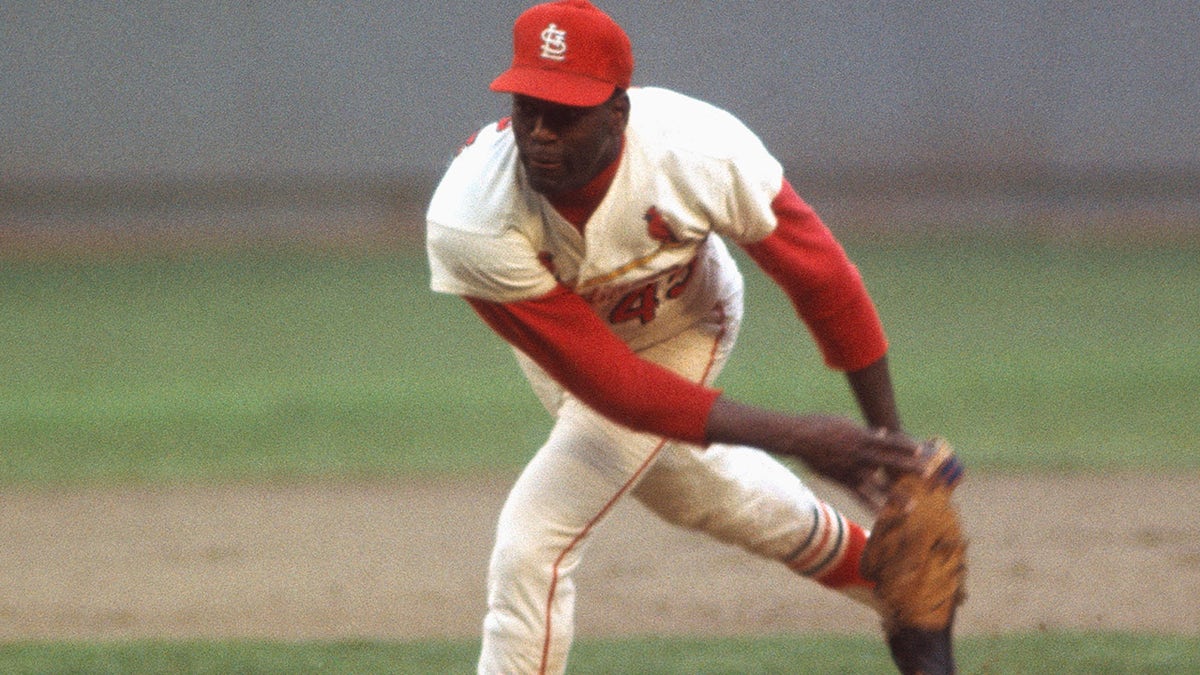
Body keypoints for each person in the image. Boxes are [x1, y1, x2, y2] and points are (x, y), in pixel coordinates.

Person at [426, 2, 958, 673]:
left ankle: (888, 585)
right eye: (528, 106)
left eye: (564, 113)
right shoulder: (471, 217)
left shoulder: (697, 149)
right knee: (688, 484)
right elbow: (613, 385)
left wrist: (892, 450)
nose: (539, 132)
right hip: (580, 358)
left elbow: (823, 279)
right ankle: (885, 583)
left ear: (618, 112)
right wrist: (799, 436)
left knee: (534, 542)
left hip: (685, 322)